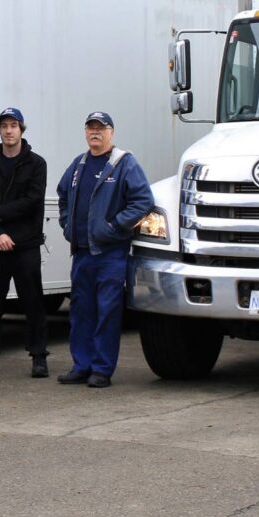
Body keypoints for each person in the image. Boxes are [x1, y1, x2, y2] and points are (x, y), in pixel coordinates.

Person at [56, 111, 154, 388]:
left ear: (111, 132)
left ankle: (101, 369)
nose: (95, 132)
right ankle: (81, 365)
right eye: (90, 128)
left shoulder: (124, 163)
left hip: (110, 253)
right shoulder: (79, 164)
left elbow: (143, 201)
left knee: (107, 311)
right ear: (85, 132)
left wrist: (114, 227)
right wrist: (67, 226)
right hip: (82, 253)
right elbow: (62, 195)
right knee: (81, 311)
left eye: (101, 128)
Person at [0, 107, 49, 379]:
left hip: (26, 245)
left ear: (21, 130)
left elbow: (33, 201)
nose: (9, 130)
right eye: (4, 126)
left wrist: (0, 218)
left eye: (14, 125)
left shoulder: (36, 164)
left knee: (33, 303)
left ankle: (39, 357)